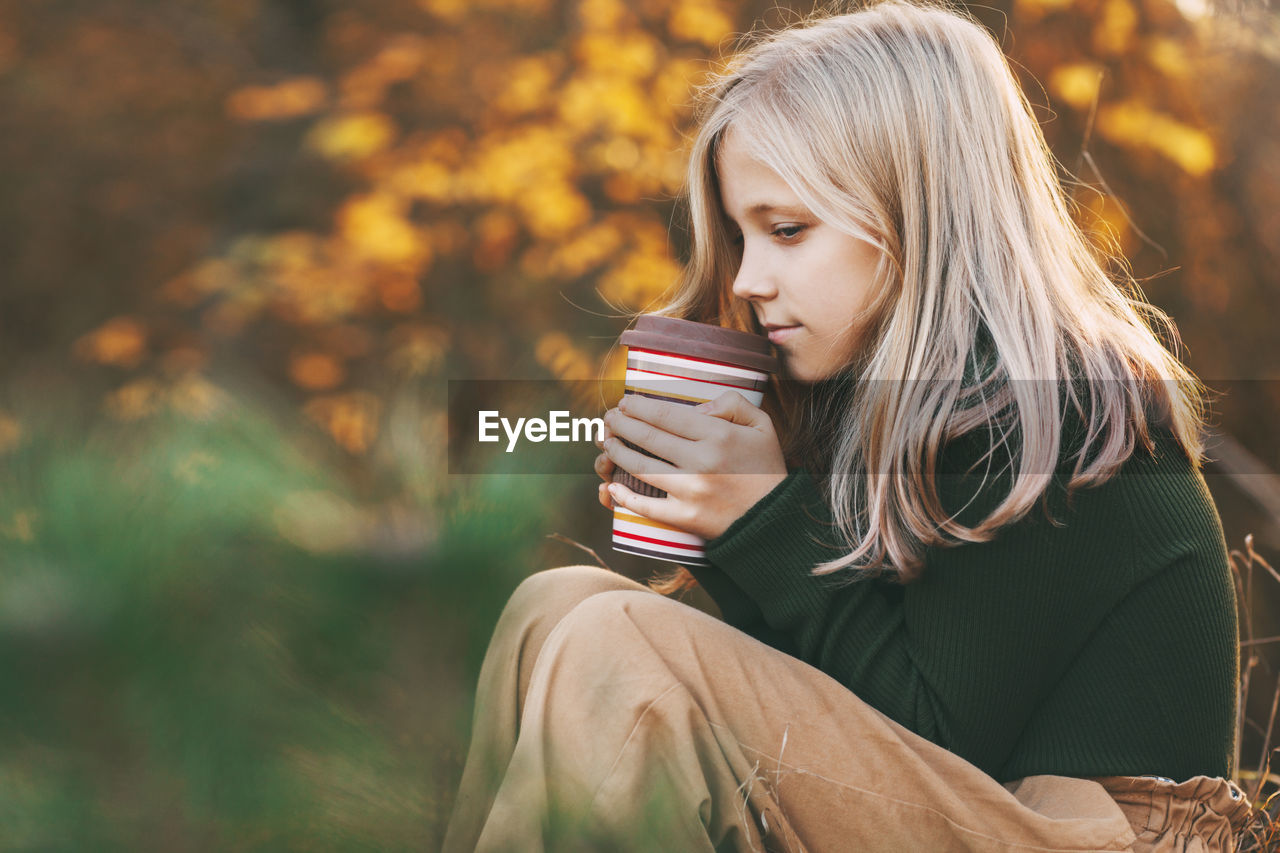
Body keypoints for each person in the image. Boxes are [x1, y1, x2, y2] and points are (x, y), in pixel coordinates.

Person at [443, 1, 1255, 850]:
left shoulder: (1054, 411)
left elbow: (936, 736)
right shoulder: (886, 400)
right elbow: (844, 717)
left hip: (1091, 834)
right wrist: (714, 514)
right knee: (555, 605)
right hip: (969, 807)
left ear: (920, 212)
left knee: (618, 644)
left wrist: (761, 518)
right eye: (737, 235)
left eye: (787, 231)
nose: (750, 278)